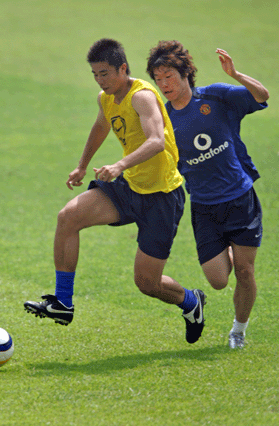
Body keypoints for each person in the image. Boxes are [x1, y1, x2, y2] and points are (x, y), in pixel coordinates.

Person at [24, 38, 207, 344]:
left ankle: (191, 302)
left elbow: (156, 141)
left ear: (123, 68)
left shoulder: (143, 97)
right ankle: (63, 303)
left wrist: (120, 165)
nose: (100, 80)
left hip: (162, 196)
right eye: (95, 74)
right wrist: (82, 165)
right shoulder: (106, 98)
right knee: (68, 216)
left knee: (147, 283)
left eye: (105, 73)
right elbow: (101, 127)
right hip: (130, 186)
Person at [146, 41, 269, 348]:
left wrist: (236, 74)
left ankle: (238, 331)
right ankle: (231, 248)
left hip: (240, 198)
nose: (164, 84)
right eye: (158, 79)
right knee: (217, 281)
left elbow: (261, 96)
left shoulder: (216, 96)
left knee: (245, 270)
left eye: (169, 76)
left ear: (186, 73)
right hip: (204, 207)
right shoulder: (163, 120)